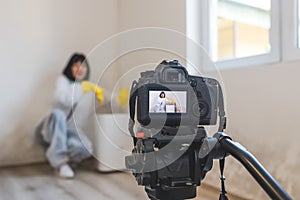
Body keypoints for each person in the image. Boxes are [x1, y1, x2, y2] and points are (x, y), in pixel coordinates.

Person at [35, 53, 104, 178]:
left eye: (83, 66)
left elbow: (105, 95)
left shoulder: (86, 87)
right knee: (58, 114)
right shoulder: (62, 81)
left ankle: (66, 160)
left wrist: (121, 97)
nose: (80, 69)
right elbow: (62, 99)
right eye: (75, 66)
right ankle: (60, 164)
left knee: (86, 148)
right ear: (69, 68)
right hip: (51, 127)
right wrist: (79, 88)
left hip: (69, 130)